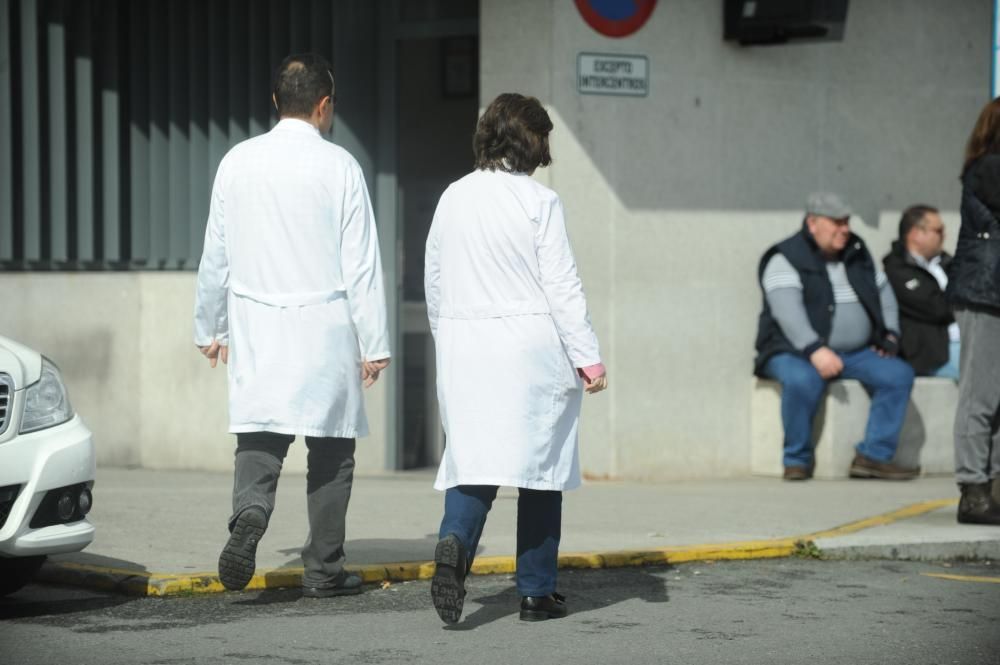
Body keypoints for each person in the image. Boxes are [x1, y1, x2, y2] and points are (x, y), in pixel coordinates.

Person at [193, 53, 391, 595]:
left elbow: (217, 254)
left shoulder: (237, 161)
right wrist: (374, 341)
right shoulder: (342, 167)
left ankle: (252, 510)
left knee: (259, 437)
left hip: (258, 322)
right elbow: (362, 263)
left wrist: (210, 328)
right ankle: (325, 570)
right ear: (324, 107)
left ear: (276, 102)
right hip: (325, 324)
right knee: (332, 452)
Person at [424, 93, 607, 624]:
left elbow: (434, 279)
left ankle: (455, 542)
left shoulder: (452, 196)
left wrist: (448, 337)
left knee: (473, 460)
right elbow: (562, 287)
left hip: (465, 345)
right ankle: (535, 591)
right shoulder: (539, 202)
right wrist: (588, 357)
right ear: (534, 143)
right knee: (541, 472)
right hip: (529, 349)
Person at [753, 192, 918, 481]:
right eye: (837, 223)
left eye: (847, 222)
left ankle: (873, 457)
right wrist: (814, 349)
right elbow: (786, 312)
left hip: (854, 352)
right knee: (803, 379)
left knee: (898, 374)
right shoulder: (785, 257)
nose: (845, 230)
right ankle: (796, 459)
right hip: (790, 350)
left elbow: (884, 293)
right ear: (813, 223)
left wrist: (890, 334)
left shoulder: (857, 253)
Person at [946, 98, 1000, 525]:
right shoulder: (988, 168)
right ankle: (973, 490)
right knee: (979, 397)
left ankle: (994, 484)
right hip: (984, 296)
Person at [882, 205, 959, 378]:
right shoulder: (897, 269)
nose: (944, 236)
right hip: (937, 352)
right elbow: (938, 308)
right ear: (916, 234)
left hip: (973, 341)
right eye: (938, 230)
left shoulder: (947, 263)